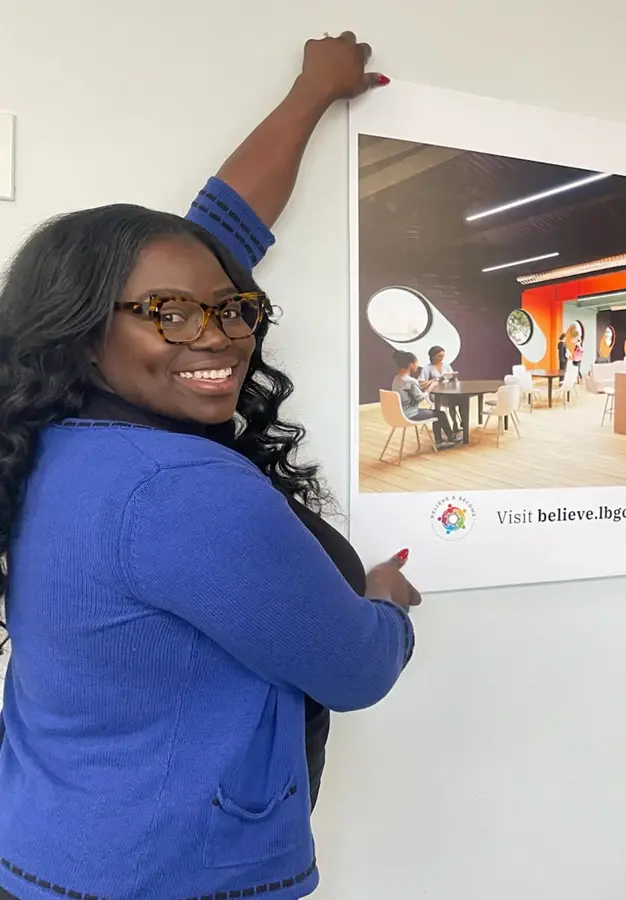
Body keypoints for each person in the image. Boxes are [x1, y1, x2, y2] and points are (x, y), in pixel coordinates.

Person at [0, 33, 419, 900]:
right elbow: (356, 670)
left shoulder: (49, 437)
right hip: (171, 876)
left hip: (52, 849)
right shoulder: (177, 488)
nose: (222, 334)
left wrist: (312, 93)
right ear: (82, 326)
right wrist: (386, 605)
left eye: (232, 310)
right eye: (173, 314)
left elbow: (217, 236)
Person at [393, 350, 458, 449]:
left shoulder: (397, 378)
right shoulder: (410, 381)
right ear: (411, 364)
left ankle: (447, 438)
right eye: (416, 363)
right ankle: (442, 441)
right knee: (440, 414)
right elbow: (421, 398)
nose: (417, 365)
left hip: (399, 413)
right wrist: (431, 387)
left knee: (438, 413)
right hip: (411, 414)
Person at [418, 344, 462, 431]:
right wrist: (436, 380)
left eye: (443, 356)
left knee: (460, 400)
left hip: (448, 392)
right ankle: (450, 425)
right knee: (451, 402)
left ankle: (456, 423)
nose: (442, 358)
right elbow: (421, 383)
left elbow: (454, 381)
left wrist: (454, 378)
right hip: (435, 394)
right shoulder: (427, 368)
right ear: (433, 356)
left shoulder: (446, 366)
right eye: (439, 356)